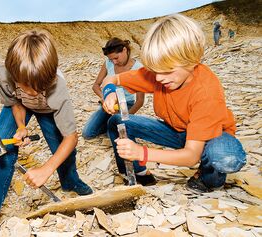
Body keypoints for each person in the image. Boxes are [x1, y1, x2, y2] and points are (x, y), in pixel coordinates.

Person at [101, 14, 246, 193]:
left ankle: (209, 179)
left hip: (211, 137)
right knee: (117, 121)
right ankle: (138, 174)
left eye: (167, 71)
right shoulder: (160, 74)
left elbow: (191, 156)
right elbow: (111, 78)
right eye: (155, 71)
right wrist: (109, 93)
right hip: (176, 130)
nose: (159, 78)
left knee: (226, 157)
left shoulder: (206, 92)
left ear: (191, 60)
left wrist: (142, 153)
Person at [0, 30, 93, 234]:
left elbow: (71, 137)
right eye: (26, 86)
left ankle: (70, 180)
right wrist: (21, 127)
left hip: (48, 109)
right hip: (18, 108)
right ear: (13, 74)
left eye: (39, 87)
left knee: (63, 149)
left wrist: (46, 169)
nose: (33, 92)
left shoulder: (58, 89)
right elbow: (16, 101)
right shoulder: (3, 74)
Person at [82, 38, 144, 139]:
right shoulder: (108, 63)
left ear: (124, 50)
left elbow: (140, 101)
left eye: (116, 58)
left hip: (125, 105)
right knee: (87, 134)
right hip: (109, 103)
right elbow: (96, 86)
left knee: (117, 135)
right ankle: (110, 123)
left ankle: (117, 124)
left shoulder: (138, 69)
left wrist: (125, 117)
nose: (114, 62)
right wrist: (105, 98)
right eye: (111, 59)